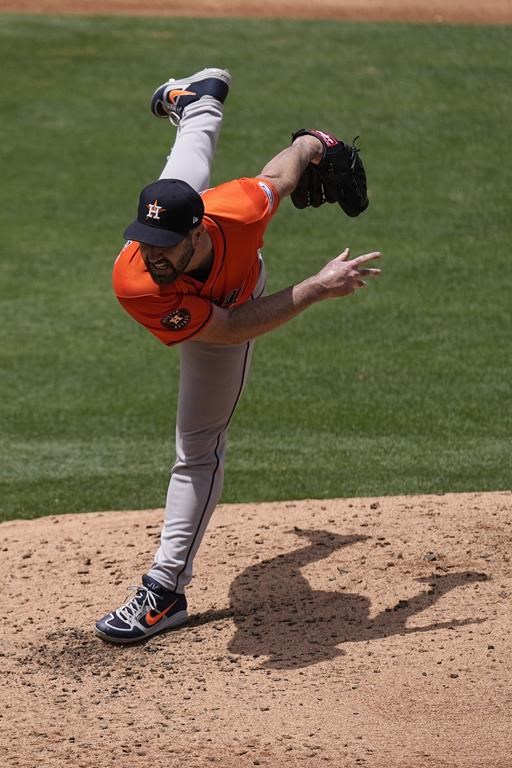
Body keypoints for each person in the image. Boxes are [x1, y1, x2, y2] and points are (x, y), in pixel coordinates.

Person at [95, 67, 380, 644]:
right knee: (178, 177)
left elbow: (280, 174)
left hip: (235, 288)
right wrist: (316, 287)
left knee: (198, 445)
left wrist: (312, 144)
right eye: (144, 243)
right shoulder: (140, 278)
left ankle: (165, 590)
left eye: (163, 246)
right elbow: (222, 333)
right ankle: (200, 103)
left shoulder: (241, 210)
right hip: (213, 312)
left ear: (198, 233)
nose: (151, 256)